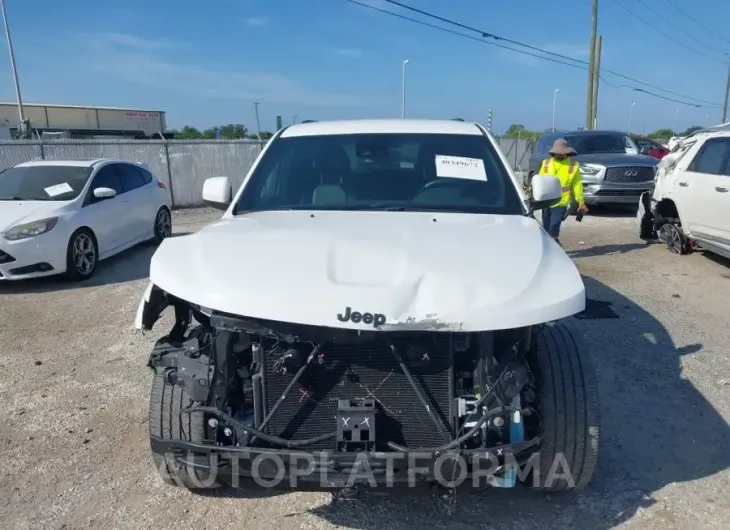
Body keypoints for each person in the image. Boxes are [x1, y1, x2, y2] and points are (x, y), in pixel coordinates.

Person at [538, 138, 588, 244]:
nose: (559, 155)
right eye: (557, 153)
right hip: (546, 200)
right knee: (546, 227)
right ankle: (550, 245)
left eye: (561, 153)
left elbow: (577, 184)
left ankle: (554, 244)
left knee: (554, 225)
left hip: (561, 201)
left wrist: (581, 201)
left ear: (567, 152)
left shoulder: (573, 165)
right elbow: (540, 181)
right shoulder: (546, 163)